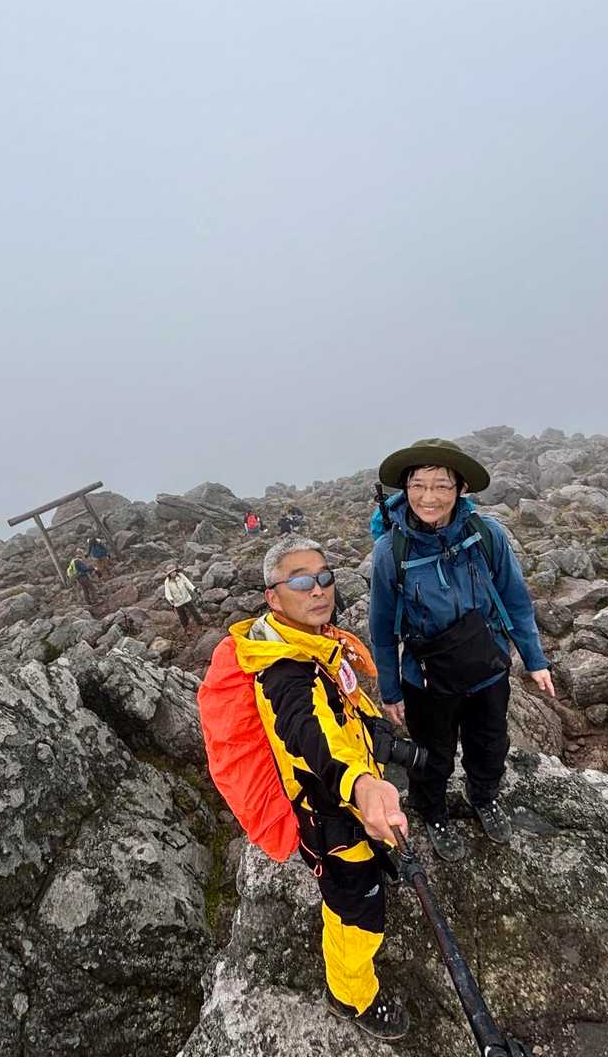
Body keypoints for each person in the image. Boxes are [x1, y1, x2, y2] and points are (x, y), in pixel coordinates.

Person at [227, 537, 410, 1039]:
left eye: (324, 577)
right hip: (334, 821)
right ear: (272, 596)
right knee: (357, 912)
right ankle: (351, 997)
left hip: (349, 803)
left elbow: (342, 711)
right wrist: (362, 785)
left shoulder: (310, 642)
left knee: (358, 894)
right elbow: (311, 737)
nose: (318, 589)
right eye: (301, 581)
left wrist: (384, 747)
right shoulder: (284, 673)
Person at [368, 438, 554, 863]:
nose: (428, 497)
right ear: (404, 489)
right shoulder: (390, 552)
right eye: (418, 485)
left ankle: (483, 795)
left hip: (487, 668)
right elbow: (381, 630)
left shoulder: (487, 535)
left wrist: (535, 660)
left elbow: (516, 601)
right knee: (431, 756)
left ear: (461, 488)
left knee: (490, 744)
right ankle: (432, 812)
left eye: (441, 485)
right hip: (427, 679)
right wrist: (391, 690)